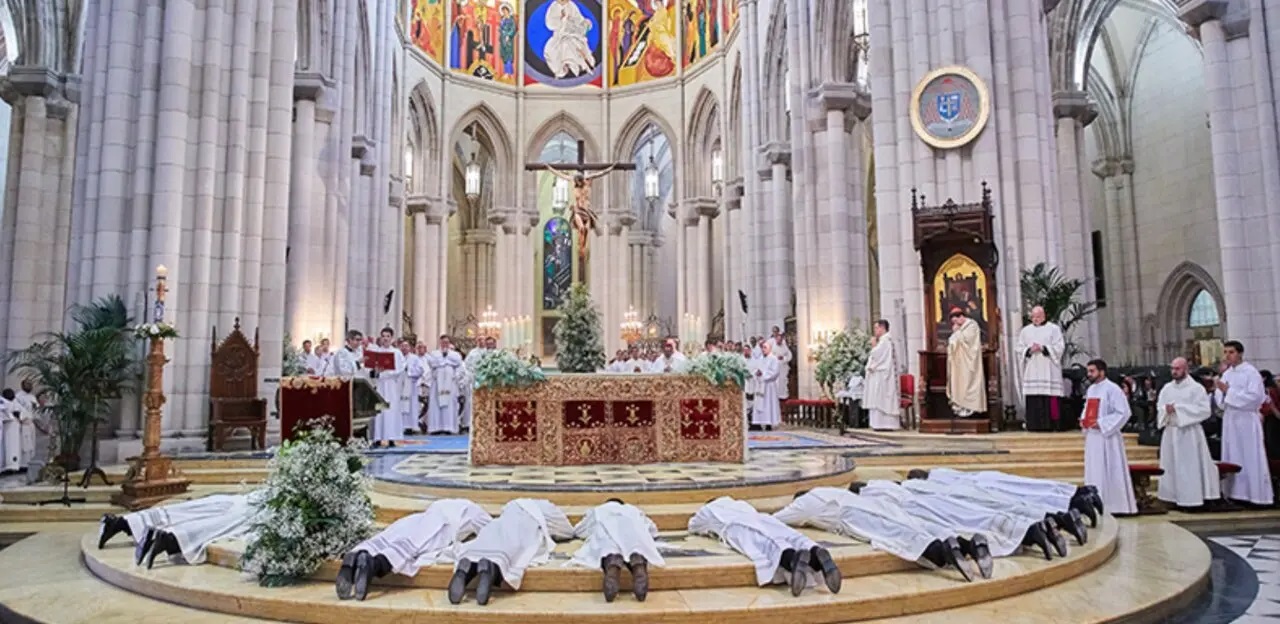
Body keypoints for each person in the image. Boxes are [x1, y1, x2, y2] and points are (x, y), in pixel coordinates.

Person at [774, 487, 981, 581]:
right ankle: (963, 545)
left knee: (895, 535)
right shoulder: (827, 490)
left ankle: (941, 552)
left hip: (854, 515)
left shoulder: (805, 502)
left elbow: (778, 519)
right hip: (870, 506)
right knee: (907, 526)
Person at [856, 480, 1059, 562]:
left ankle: (1028, 532)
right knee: (978, 515)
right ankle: (1036, 528)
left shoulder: (871, 495)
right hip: (937, 500)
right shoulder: (900, 485)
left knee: (965, 523)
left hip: (920, 508)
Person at [335, 498, 492, 601]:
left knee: (393, 538)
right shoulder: (479, 515)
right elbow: (492, 532)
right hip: (448, 522)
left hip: (424, 515)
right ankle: (374, 565)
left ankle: (359, 554)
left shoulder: (456, 505)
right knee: (413, 547)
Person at [690, 496, 841, 596]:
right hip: (764, 518)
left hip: (737, 525)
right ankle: (815, 551)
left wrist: (707, 529)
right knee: (791, 535)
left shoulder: (708, 510)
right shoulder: (740, 503)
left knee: (768, 543)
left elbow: (693, 525)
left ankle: (792, 559)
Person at [448, 498, 575, 606]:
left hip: (497, 525)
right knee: (516, 549)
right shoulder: (546, 507)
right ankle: (492, 569)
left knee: (486, 541)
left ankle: (468, 567)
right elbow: (566, 530)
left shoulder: (511, 505)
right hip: (526, 525)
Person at [97, 491, 267, 568]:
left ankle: (122, 523)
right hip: (263, 502)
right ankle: (170, 539)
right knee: (228, 523)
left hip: (257, 497)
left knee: (200, 508)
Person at [920, 467, 1103, 528]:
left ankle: (1076, 502)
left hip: (985, 486)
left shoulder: (936, 482)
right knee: (1033, 488)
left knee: (1030, 497)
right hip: (987, 478)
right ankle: (1078, 495)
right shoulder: (942, 472)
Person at [567, 499, 665, 602]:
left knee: (608, 547)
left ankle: (612, 564)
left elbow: (580, 530)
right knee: (637, 547)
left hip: (608, 538)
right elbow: (652, 529)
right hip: (635, 538)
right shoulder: (633, 509)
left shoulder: (598, 510)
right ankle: (638, 563)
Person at [1156, 357, 1221, 508]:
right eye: (1172, 368)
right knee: (1170, 465)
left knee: (1189, 467)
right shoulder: (1167, 388)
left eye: (1177, 368)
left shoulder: (1196, 388)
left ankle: (1192, 499)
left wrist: (1179, 409)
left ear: (1186, 369)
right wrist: (1166, 410)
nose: (1174, 371)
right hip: (1171, 431)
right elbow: (1160, 406)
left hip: (1189, 432)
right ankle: (1172, 498)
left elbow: (1204, 410)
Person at [1215, 340, 1273, 505]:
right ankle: (1234, 493)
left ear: (1240, 353)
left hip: (1247, 420)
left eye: (1231, 352)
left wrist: (1229, 392)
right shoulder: (1227, 374)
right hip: (1231, 419)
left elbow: (1255, 398)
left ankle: (1254, 495)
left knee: (1250, 456)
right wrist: (1222, 394)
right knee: (1233, 454)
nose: (1227, 356)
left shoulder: (1251, 373)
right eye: (1225, 352)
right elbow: (1220, 398)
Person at [1082, 359, 1138, 515]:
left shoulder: (1113, 389)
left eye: (1092, 371)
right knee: (1095, 471)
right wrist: (1084, 420)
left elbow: (1123, 412)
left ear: (1102, 372)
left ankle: (1115, 506)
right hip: (1093, 437)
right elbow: (1087, 409)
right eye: (1088, 371)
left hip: (1108, 438)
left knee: (1111, 470)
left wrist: (1102, 423)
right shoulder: (1091, 389)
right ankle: (1096, 503)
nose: (1089, 374)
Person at [1016, 306, 1065, 432]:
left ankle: (1051, 425)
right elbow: (1019, 348)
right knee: (1033, 397)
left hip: (1049, 368)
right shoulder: (1025, 331)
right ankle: (1034, 425)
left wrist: (1044, 348)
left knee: (1050, 396)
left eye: (1038, 316)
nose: (1035, 319)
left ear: (1044, 316)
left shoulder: (1054, 329)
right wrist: (1029, 350)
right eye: (1033, 317)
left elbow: (1060, 347)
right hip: (1032, 368)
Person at [367, 328, 406, 448]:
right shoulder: (376, 352)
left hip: (391, 385)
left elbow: (400, 369)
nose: (385, 338)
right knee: (380, 410)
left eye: (388, 336)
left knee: (391, 410)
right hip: (380, 386)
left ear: (391, 338)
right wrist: (375, 372)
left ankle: (391, 437)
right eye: (383, 336)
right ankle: (378, 437)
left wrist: (385, 373)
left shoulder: (396, 353)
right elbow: (369, 369)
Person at [946, 308, 986, 417]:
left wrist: (957, 332)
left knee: (968, 384)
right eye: (953, 322)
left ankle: (970, 409)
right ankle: (959, 407)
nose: (955, 324)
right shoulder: (960, 328)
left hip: (969, 363)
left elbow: (968, 342)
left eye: (956, 321)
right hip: (958, 364)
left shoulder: (972, 326)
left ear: (961, 317)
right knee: (958, 385)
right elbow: (952, 342)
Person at [864, 319, 901, 431]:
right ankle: (880, 424)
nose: (875, 330)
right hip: (882, 374)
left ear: (882, 328)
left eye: (876, 328)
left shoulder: (885, 341)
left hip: (883, 376)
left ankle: (884, 424)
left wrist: (873, 345)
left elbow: (877, 355)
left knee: (881, 399)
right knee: (880, 399)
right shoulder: (885, 340)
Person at [424, 335, 463, 435]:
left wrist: (455, 376)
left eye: (447, 342)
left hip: (450, 383)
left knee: (450, 405)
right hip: (437, 383)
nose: (445, 344)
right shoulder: (434, 353)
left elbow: (459, 366)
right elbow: (432, 363)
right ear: (440, 343)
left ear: (449, 343)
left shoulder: (455, 354)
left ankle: (449, 427)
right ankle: (436, 428)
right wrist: (445, 361)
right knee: (436, 404)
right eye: (443, 342)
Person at [751, 341, 782, 431]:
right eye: (762, 347)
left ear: (770, 349)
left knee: (768, 404)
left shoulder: (773, 359)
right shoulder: (760, 358)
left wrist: (763, 375)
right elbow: (755, 369)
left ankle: (769, 423)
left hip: (769, 386)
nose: (763, 349)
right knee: (758, 404)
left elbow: (775, 372)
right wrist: (757, 373)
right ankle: (758, 423)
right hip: (760, 385)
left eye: (765, 347)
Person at [402, 341, 426, 434]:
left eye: (406, 346)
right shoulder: (398, 356)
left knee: (411, 406)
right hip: (400, 386)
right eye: (402, 346)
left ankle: (410, 426)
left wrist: (409, 371)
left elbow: (420, 370)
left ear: (410, 348)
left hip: (411, 385)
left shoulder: (414, 358)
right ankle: (401, 426)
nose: (404, 348)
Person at [769, 327, 793, 401]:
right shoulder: (772, 346)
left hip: (783, 368)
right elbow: (769, 356)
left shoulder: (784, 346)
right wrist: (776, 358)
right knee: (776, 383)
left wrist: (783, 358)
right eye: (778, 340)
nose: (779, 341)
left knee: (783, 382)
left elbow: (789, 356)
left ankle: (783, 396)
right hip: (775, 368)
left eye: (780, 340)